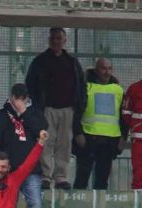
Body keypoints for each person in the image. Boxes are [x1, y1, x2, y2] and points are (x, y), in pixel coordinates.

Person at [26, 27, 86, 190]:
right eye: (53, 39)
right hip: (46, 108)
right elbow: (30, 84)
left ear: (64, 41)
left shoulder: (72, 62)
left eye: (59, 38)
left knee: (64, 142)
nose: (56, 41)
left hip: (68, 109)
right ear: (49, 40)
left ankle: (61, 176)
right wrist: (36, 108)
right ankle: (45, 176)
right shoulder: (40, 61)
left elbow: (81, 86)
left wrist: (79, 107)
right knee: (46, 141)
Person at [0, 83, 48, 208]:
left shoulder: (35, 113)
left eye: (22, 99)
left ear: (27, 99)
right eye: (16, 98)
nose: (18, 102)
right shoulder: (1, 115)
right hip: (9, 171)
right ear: (11, 97)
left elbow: (41, 129)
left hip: (31, 170)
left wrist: (24, 112)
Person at [73, 58, 127, 191]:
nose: (106, 72)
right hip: (88, 138)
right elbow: (76, 112)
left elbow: (123, 116)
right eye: (103, 68)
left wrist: (123, 137)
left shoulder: (118, 90)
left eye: (109, 68)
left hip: (109, 141)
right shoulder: (85, 88)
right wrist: (78, 133)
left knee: (102, 180)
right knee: (82, 178)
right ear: (96, 70)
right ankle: (77, 207)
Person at [123, 75, 142, 190]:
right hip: (138, 138)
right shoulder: (134, 88)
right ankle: (138, 198)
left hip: (137, 136)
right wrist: (134, 126)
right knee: (138, 169)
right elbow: (126, 112)